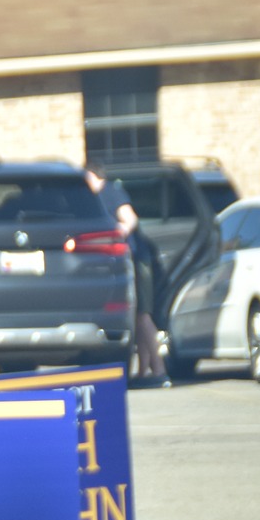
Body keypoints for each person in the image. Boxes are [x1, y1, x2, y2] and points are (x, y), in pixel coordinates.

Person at [86, 164, 165, 385]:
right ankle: (143, 372)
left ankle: (159, 369)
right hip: (129, 259)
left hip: (136, 259)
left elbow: (130, 218)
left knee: (142, 316)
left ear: (91, 174)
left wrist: (116, 232)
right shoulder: (103, 194)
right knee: (137, 317)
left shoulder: (109, 191)